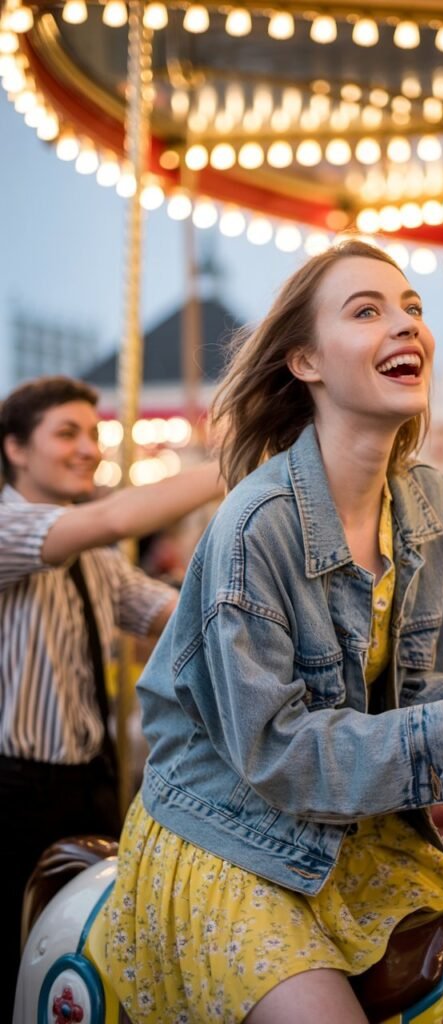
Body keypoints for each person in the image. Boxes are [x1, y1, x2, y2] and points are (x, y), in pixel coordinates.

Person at [103, 240, 443, 1024]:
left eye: (411, 307)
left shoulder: (427, 503)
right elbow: (273, 750)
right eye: (367, 311)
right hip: (230, 832)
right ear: (305, 360)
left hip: (361, 835)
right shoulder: (257, 525)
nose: (406, 324)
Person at [0, 374, 224, 1004]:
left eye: (91, 433)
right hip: (15, 786)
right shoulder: (11, 528)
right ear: (16, 449)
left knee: (89, 955)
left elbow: (172, 615)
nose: (88, 449)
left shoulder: (97, 558)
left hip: (90, 781)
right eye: (66, 433)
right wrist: (235, 461)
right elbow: (117, 515)